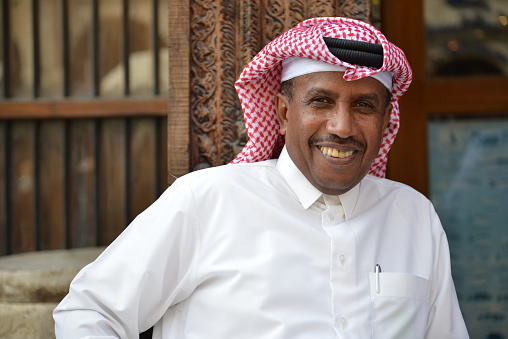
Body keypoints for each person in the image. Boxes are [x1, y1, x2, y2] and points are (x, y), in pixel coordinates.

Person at [54, 17, 469, 338]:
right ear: (285, 114)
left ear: (384, 120)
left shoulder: (414, 215)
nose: (342, 126)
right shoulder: (208, 201)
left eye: (364, 105)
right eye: (321, 101)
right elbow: (90, 312)